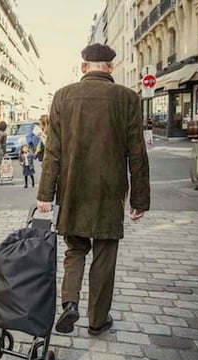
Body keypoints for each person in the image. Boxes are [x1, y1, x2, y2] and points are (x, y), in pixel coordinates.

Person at [36, 43, 150, 336]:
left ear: (83, 65)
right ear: (110, 67)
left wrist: (45, 195)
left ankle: (69, 305)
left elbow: (53, 151)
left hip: (72, 190)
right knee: (105, 254)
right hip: (109, 192)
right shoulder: (127, 98)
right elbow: (137, 152)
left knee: (75, 250)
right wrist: (140, 199)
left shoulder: (63, 96)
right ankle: (98, 320)